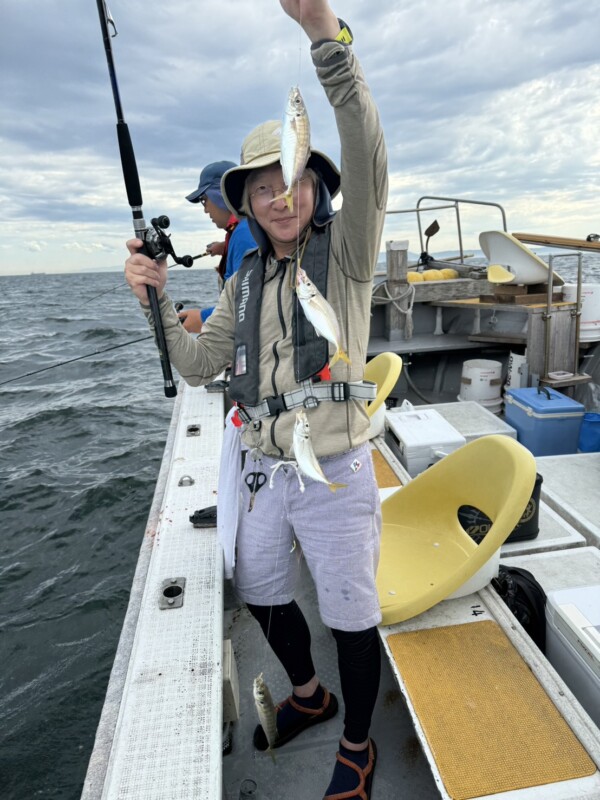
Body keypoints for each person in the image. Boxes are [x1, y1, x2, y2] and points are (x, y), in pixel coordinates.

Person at [125, 1, 387, 797]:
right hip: (266, 468)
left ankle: (361, 743)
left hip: (335, 466)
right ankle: (309, 697)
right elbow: (202, 363)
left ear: (316, 185)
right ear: (247, 199)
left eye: (295, 179)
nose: (281, 197)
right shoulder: (243, 280)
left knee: (350, 616)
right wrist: (156, 304)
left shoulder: (344, 254)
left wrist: (325, 42)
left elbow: (368, 150)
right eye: (263, 186)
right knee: (267, 596)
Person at [181, 160, 256, 333]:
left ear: (221, 196)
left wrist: (202, 318)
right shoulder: (244, 229)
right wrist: (224, 249)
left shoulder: (244, 234)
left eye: (204, 200)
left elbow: (246, 305)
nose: (205, 209)